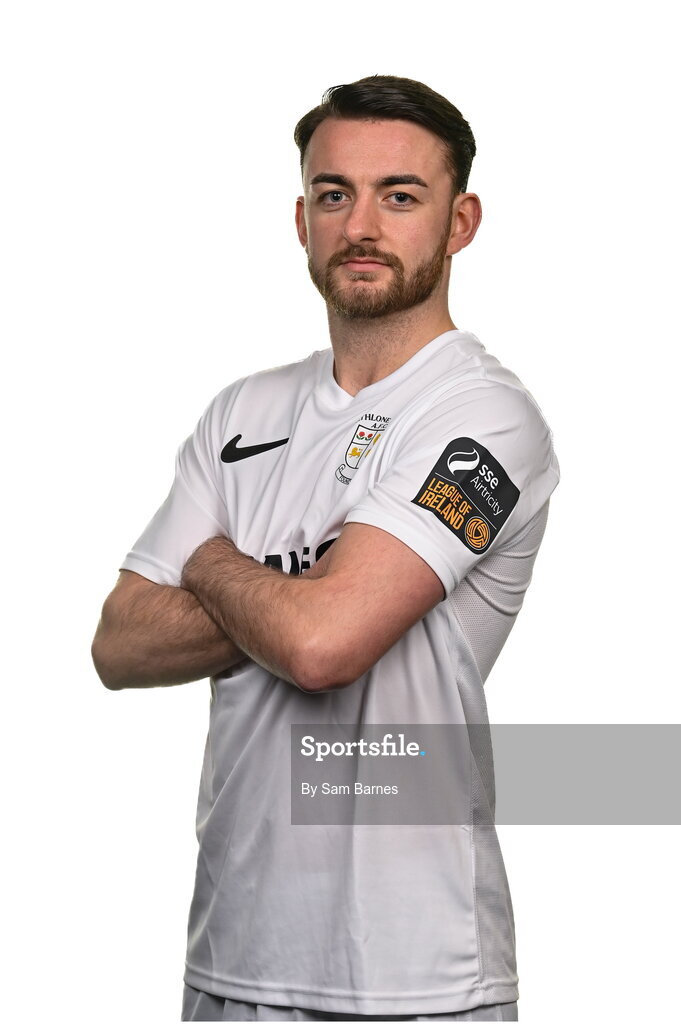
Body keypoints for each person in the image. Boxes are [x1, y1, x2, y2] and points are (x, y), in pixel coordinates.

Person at [92, 75, 559, 1022]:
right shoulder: (242, 412)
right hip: (230, 958)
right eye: (333, 194)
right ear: (300, 217)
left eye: (401, 195)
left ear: (459, 221)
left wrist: (217, 563)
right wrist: (311, 589)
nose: (361, 224)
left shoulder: (486, 420)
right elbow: (120, 645)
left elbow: (323, 646)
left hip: (414, 978)